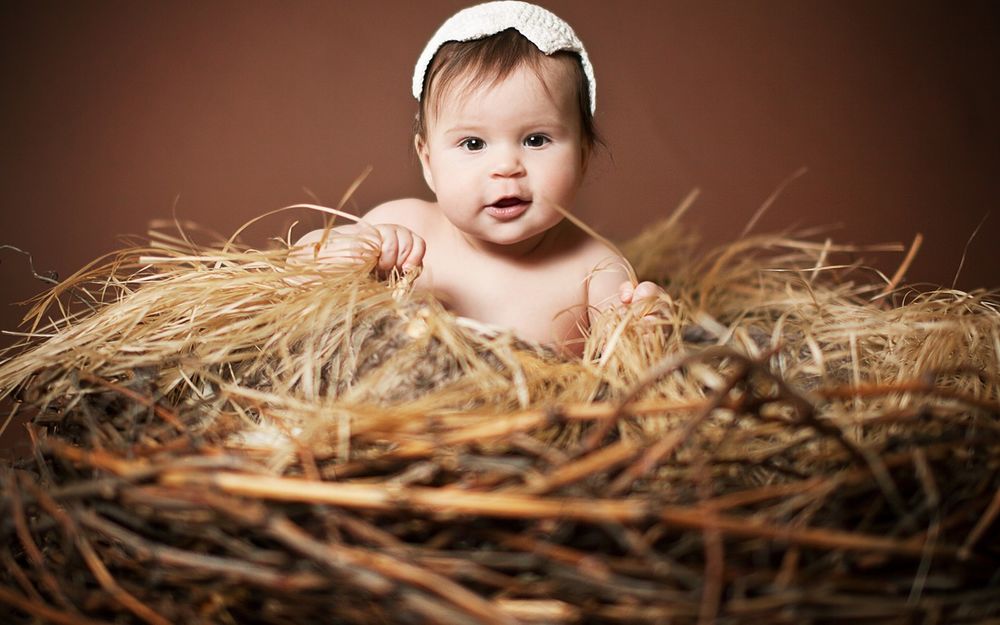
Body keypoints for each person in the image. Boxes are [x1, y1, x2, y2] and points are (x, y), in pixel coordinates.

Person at [292, 1, 662, 355]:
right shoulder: (401, 226)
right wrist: (342, 253)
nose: (506, 166)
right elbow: (294, 278)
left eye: (536, 140)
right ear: (428, 161)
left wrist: (646, 328)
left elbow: (627, 371)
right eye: (473, 143)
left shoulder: (595, 270)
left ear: (583, 157)